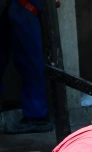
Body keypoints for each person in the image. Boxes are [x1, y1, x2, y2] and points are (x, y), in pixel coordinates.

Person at [0, 0, 52, 133]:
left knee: (29, 59)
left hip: (25, 4)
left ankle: (37, 116)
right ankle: (36, 114)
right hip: (18, 6)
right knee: (25, 57)